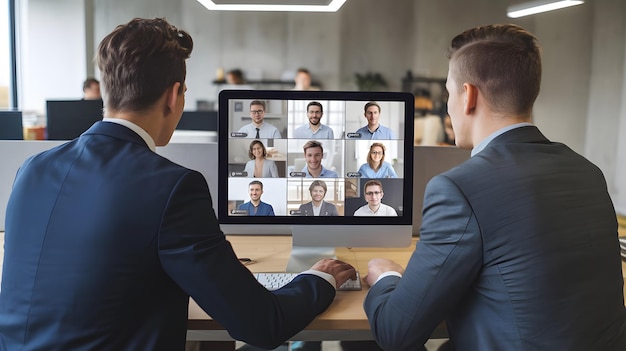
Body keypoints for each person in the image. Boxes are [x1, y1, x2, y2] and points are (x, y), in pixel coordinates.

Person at [0, 17, 356, 351]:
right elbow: (262, 324)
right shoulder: (171, 187)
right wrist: (318, 278)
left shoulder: (31, 170)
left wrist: (213, 270)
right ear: (174, 95)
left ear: (107, 88)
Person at [363, 24, 626, 351]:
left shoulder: (458, 189)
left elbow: (396, 334)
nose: (447, 106)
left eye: (449, 93)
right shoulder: (588, 172)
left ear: (468, 95)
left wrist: (386, 275)